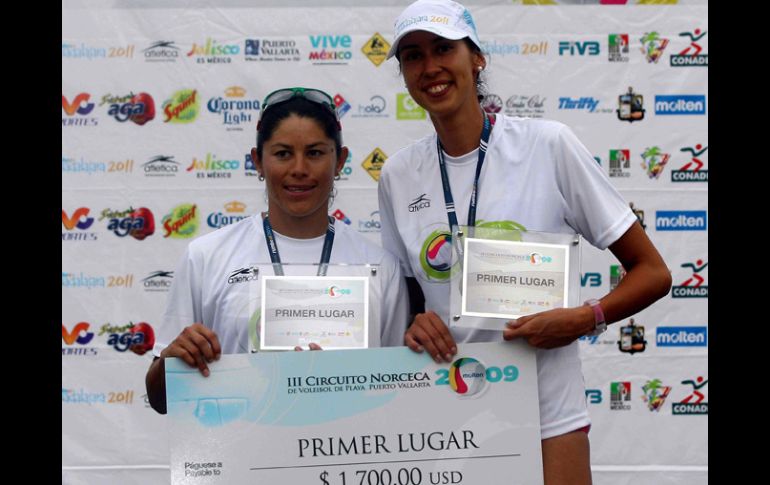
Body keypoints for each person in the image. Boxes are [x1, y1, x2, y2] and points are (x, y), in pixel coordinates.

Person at [377, 1, 672, 484]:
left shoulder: (548, 145)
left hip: (546, 413)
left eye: (443, 49)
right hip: (444, 416)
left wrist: (586, 318)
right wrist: (414, 325)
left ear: (477, 58)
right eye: (413, 56)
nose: (429, 67)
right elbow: (408, 304)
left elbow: (653, 273)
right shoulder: (398, 175)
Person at [146, 87, 409, 414]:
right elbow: (160, 400)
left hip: (344, 444)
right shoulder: (206, 257)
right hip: (241, 445)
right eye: (283, 153)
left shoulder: (381, 267)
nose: (299, 168)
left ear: (340, 161)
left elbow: (397, 397)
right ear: (257, 161)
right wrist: (172, 360)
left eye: (315, 153)